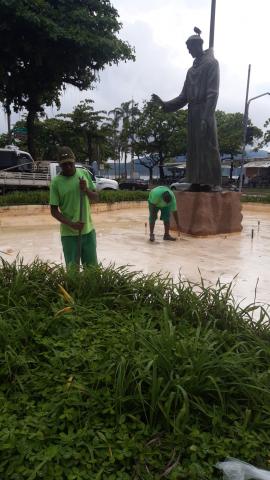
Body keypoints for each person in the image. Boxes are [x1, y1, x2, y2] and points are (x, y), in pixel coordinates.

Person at [152, 28, 221, 192]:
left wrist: (206, 117)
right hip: (193, 112)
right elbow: (183, 97)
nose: (189, 52)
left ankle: (213, 182)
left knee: (209, 146)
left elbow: (213, 93)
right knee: (195, 148)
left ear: (198, 45)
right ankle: (196, 180)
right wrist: (165, 104)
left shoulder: (212, 63)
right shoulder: (191, 71)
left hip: (205, 109)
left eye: (190, 48)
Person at [50, 146, 98, 267]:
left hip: (88, 232)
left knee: (92, 270)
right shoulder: (56, 182)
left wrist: (86, 189)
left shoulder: (84, 174)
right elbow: (54, 211)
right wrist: (72, 224)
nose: (68, 167)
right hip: (69, 235)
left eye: (70, 164)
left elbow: (96, 198)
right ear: (60, 165)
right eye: (64, 165)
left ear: (74, 161)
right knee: (72, 271)